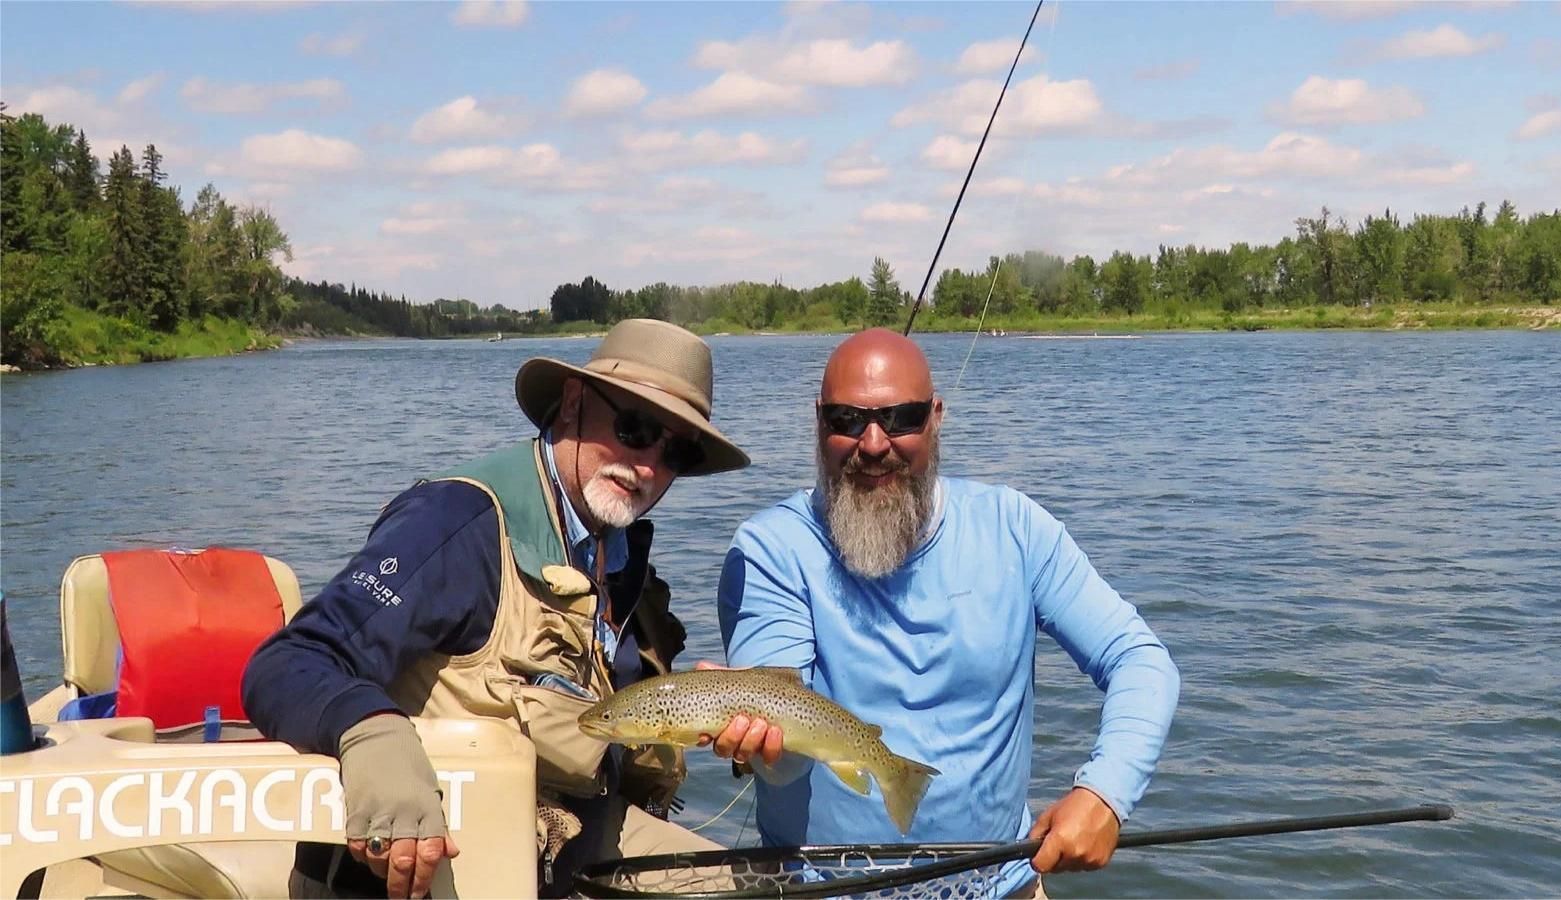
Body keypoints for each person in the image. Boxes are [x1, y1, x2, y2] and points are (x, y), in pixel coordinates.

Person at [244, 319, 750, 899]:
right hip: (428, 872)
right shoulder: (456, 525)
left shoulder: (621, 557)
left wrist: (706, 715)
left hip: (569, 848)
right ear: (572, 403)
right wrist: (373, 734)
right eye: (635, 429)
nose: (648, 468)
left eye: (678, 452)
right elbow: (290, 662)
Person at [712, 328, 1180, 898]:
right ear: (819, 423)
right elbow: (784, 765)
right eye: (849, 420)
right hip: (816, 889)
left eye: (902, 417)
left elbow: (1139, 659)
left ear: (936, 418)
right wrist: (761, 746)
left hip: (1003, 884)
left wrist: (1105, 793)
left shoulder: (1016, 529)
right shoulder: (770, 550)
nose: (875, 443)